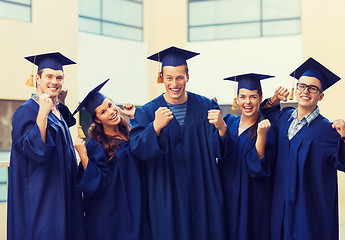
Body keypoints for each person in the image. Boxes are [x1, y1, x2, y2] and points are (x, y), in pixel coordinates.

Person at [129, 46, 226, 240]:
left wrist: (222, 129)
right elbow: (137, 150)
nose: (174, 83)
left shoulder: (206, 107)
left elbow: (220, 151)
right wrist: (154, 128)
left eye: (179, 77)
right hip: (167, 196)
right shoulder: (148, 112)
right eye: (169, 78)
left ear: (188, 76)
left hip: (202, 192)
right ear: (162, 78)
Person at [260, 57, 345, 239]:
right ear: (296, 89)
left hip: (307, 211)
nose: (306, 91)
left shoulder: (327, 130)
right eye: (302, 86)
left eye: (313, 88)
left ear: (321, 96)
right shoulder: (283, 117)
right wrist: (275, 98)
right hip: (280, 206)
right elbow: (266, 110)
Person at [8, 52, 85, 240]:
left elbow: (62, 129)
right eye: (49, 77)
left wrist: (60, 103)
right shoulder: (27, 110)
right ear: (37, 78)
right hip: (42, 194)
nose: (54, 82)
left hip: (63, 189)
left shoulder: (55, 108)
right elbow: (35, 150)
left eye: (59, 77)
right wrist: (42, 114)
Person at [73, 79, 151, 240]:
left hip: (138, 202)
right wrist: (84, 156)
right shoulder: (96, 146)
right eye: (103, 112)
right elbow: (97, 184)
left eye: (110, 105)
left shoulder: (130, 130)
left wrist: (135, 116)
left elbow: (145, 148)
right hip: (116, 212)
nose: (111, 111)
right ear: (97, 120)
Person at [208, 73, 277, 240]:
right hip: (225, 196)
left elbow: (261, 168)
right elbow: (218, 152)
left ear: (260, 98)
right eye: (243, 97)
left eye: (253, 96)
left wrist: (261, 136)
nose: (248, 102)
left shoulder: (268, 128)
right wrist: (220, 128)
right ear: (236, 99)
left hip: (251, 200)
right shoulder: (228, 121)